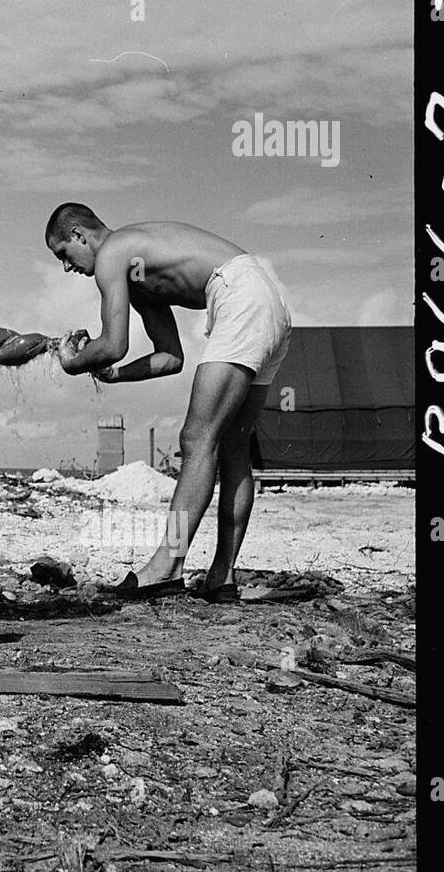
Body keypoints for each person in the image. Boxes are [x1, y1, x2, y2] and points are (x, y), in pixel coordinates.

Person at [45, 203, 292, 602]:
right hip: (267, 301)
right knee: (232, 447)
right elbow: (170, 357)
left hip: (240, 296)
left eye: (63, 254)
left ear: (79, 235)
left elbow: (113, 344)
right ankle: (221, 578)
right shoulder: (138, 272)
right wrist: (114, 374)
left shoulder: (112, 252)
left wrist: (73, 361)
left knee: (196, 440)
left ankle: (166, 568)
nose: (66, 267)